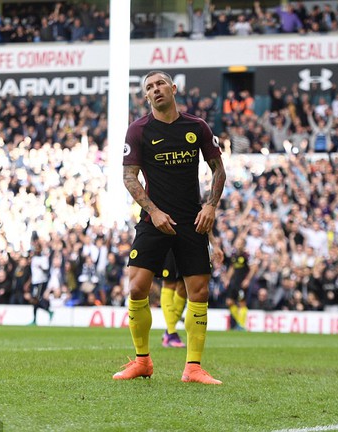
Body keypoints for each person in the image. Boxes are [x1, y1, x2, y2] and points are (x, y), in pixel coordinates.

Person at [114, 70, 226, 385]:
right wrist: (153, 210)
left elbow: (218, 170)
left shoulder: (197, 127)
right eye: (149, 87)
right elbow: (129, 177)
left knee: (199, 292)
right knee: (136, 287)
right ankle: (142, 362)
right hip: (154, 220)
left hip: (192, 219)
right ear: (146, 96)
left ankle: (193, 368)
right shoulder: (138, 131)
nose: (156, 89)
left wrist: (211, 206)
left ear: (173, 88)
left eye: (160, 83)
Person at [26, 240, 53, 325]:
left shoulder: (43, 258)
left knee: (37, 299)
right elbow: (33, 272)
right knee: (34, 300)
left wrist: (41, 267)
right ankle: (35, 319)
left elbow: (46, 269)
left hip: (40, 281)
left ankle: (47, 311)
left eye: (38, 248)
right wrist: (28, 282)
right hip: (34, 281)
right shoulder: (33, 258)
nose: (36, 250)